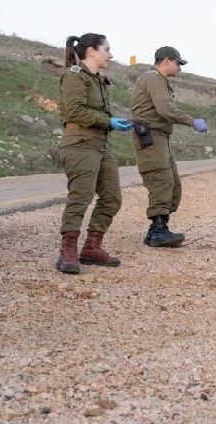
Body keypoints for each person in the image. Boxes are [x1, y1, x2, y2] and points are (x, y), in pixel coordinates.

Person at [55, 33, 132, 274]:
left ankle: (91, 247)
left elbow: (96, 112)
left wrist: (112, 122)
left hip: (101, 144)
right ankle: (67, 251)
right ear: (91, 51)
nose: (110, 54)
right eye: (106, 49)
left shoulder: (99, 79)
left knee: (112, 197)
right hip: (80, 143)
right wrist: (108, 121)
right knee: (81, 196)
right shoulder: (74, 76)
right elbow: (74, 111)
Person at [130, 46, 207, 247]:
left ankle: (158, 228)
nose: (180, 67)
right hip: (150, 137)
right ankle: (158, 231)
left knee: (171, 182)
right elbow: (165, 109)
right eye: (177, 63)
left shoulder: (158, 80)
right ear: (166, 61)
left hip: (160, 137)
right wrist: (191, 121)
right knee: (161, 180)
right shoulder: (153, 78)